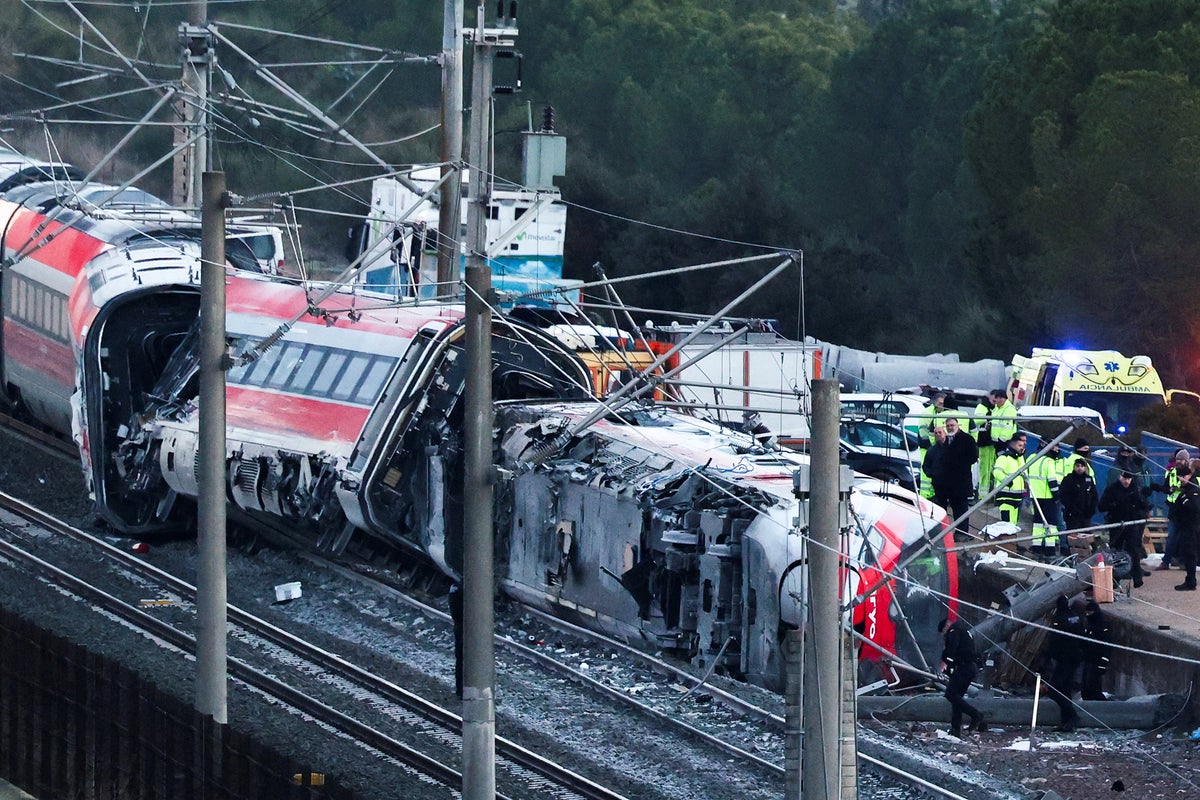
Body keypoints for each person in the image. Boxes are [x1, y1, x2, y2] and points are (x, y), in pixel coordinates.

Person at [1098, 470, 1151, 588]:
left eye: (1129, 478)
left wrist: (1141, 509)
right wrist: (1115, 505)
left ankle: (1137, 577)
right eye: (1124, 478)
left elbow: (1143, 504)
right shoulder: (1112, 489)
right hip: (1116, 525)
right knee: (1115, 552)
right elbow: (1101, 506)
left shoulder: (1134, 489)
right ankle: (1114, 580)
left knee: (1133, 550)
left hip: (1131, 524)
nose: (1127, 481)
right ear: (1120, 476)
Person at [1043, 595, 1085, 732]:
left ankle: (1072, 716)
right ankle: (1066, 722)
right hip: (1075, 658)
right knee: (1065, 690)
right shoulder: (1076, 616)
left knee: (1054, 690)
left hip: (1064, 659)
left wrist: (1047, 658)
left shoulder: (1059, 619)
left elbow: (1054, 641)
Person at [938, 617, 985, 737]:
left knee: (951, 694)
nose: (944, 636)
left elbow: (951, 649)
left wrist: (948, 664)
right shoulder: (965, 631)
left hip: (963, 667)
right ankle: (955, 729)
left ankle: (976, 715)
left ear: (946, 627)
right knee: (956, 698)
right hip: (970, 667)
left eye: (943, 633)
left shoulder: (954, 631)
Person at [935, 417, 978, 536]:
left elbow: (973, 457)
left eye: (952, 425)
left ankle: (962, 534)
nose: (950, 428)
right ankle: (945, 534)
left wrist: (959, 462)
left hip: (961, 481)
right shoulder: (945, 440)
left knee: (961, 510)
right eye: (948, 426)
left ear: (958, 425)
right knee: (947, 510)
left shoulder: (967, 439)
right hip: (946, 483)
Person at [1152, 448, 1191, 571]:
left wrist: (1177, 491)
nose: (1178, 461)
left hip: (1187, 510)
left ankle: (1182, 561)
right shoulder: (1172, 472)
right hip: (1174, 510)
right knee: (1172, 537)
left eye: (1181, 459)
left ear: (1186, 461)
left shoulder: (1192, 473)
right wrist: (1169, 490)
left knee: (1184, 538)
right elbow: (1166, 487)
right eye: (1177, 459)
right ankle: (1166, 561)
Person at [1028, 442, 1065, 559]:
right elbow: (1052, 482)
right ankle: (1050, 551)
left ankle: (1036, 549)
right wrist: (1057, 497)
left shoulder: (1031, 458)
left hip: (1035, 496)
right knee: (1051, 524)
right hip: (1048, 497)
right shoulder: (1048, 461)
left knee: (1038, 524)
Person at [1173, 461, 1199, 591]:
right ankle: (1190, 579)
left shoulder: (1193, 490)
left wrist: (1184, 499)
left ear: (1189, 475)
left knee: (1190, 554)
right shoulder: (1186, 489)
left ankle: (1191, 581)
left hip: (1192, 527)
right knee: (1188, 553)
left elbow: (1194, 507)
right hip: (1186, 526)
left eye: (1183, 476)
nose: (1181, 479)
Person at [992, 433, 1027, 525]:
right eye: (1019, 445)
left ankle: (1012, 538)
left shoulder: (1020, 459)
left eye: (1022, 446)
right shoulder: (1004, 457)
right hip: (1006, 495)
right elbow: (997, 472)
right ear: (1012, 445)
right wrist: (1008, 482)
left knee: (1013, 523)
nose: (1021, 448)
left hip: (1017, 496)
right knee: (1007, 523)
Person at [1080, 601, 1112, 701]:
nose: (1088, 615)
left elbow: (1108, 646)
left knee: (1093, 687)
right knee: (1085, 687)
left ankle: (1102, 706)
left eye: (1090, 613)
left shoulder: (1103, 626)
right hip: (1088, 659)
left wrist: (1103, 663)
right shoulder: (1089, 625)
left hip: (1097, 661)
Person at [1059, 458, 1099, 532]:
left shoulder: (1088, 479)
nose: (1079, 468)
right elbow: (1063, 495)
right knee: (1073, 537)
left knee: (1086, 537)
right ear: (1074, 467)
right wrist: (1070, 508)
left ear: (1085, 468)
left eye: (1081, 466)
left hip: (1086, 515)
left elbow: (1095, 496)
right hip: (1072, 515)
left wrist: (1092, 510)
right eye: (1077, 466)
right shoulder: (1068, 479)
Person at [448, 581, 464, 697]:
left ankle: (460, 689)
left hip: (459, 626)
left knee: (460, 659)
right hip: (467, 628)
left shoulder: (455, 588)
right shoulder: (466, 590)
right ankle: (464, 690)